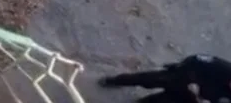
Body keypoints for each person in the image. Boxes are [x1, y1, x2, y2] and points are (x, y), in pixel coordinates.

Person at [99, 54, 231, 103]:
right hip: (181, 78)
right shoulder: (222, 67)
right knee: (145, 79)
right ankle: (115, 80)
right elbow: (196, 59)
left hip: (187, 99)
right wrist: (185, 73)